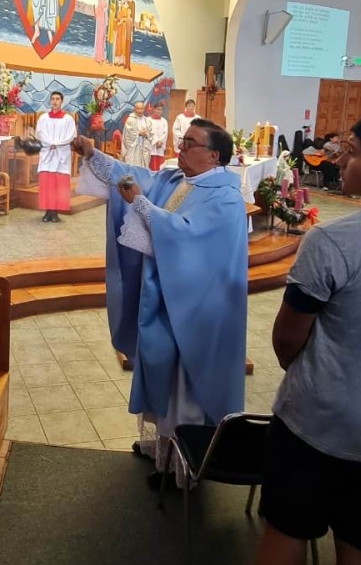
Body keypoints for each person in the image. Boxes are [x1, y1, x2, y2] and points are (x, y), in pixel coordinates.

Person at [256, 108, 361, 565]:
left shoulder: (334, 240)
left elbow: (287, 340)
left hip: (318, 423)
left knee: (285, 537)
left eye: (354, 153)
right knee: (360, 548)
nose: (341, 162)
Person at [73, 118, 247, 486]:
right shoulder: (177, 180)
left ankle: (183, 468)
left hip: (197, 310)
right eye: (181, 142)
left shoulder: (225, 197)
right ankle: (160, 450)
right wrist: (93, 154)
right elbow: (134, 176)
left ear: (214, 155)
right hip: (168, 298)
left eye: (189, 144)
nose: (180, 149)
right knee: (161, 375)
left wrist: (138, 202)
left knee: (183, 385)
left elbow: (188, 239)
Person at [35, 91, 77, 223]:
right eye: (52, 99)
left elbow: (71, 136)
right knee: (47, 183)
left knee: (59, 184)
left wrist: (56, 144)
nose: (54, 101)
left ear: (62, 101)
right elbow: (39, 133)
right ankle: (48, 211)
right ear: (50, 101)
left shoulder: (68, 119)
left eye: (57, 99)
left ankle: (56, 212)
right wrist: (50, 144)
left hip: (61, 155)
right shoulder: (43, 118)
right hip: (47, 153)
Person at [120, 101, 151, 168]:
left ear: (144, 109)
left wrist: (146, 134)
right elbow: (128, 135)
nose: (140, 110)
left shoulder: (146, 120)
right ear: (134, 109)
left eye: (141, 108)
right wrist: (139, 133)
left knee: (142, 167)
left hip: (143, 147)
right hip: (133, 148)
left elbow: (150, 133)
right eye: (138, 109)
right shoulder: (130, 119)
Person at [147, 104, 168, 170]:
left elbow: (165, 132)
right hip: (151, 146)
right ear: (154, 109)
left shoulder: (164, 121)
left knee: (159, 165)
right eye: (158, 109)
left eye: (161, 110)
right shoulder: (148, 120)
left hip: (160, 146)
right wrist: (155, 142)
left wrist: (160, 141)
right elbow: (148, 132)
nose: (159, 111)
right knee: (151, 164)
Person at [94, 0, 107, 64]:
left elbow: (106, 9)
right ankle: (98, 57)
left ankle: (101, 56)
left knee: (102, 37)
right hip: (100, 19)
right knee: (99, 37)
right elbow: (98, 8)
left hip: (104, 18)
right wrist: (101, 10)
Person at [106, 0, 118, 64]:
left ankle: (111, 59)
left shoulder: (116, 1)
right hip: (109, 20)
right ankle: (107, 58)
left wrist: (115, 19)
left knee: (112, 40)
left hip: (113, 21)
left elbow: (116, 12)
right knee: (108, 39)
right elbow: (108, 9)